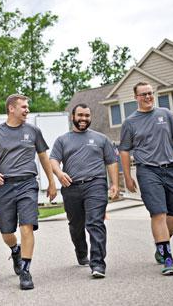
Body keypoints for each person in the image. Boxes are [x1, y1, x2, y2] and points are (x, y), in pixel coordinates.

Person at [119, 81, 173, 276]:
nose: (148, 97)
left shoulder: (165, 114)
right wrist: (128, 177)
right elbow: (124, 151)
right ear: (136, 98)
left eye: (150, 93)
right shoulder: (130, 123)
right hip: (148, 171)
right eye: (143, 94)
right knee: (158, 213)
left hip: (172, 169)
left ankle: (161, 244)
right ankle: (167, 256)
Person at [0, 94, 57, 290]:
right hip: (5, 186)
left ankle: (25, 270)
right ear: (11, 109)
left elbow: (43, 157)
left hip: (28, 184)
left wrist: (51, 182)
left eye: (27, 107)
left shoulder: (33, 131)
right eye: (23, 107)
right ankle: (15, 250)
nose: (27, 110)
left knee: (26, 226)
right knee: (6, 232)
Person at [50, 103, 119, 278]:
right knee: (76, 225)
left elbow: (111, 161)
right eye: (80, 115)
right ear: (73, 117)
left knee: (95, 222)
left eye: (87, 116)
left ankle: (98, 264)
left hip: (95, 184)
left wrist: (115, 184)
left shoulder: (101, 139)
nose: (83, 119)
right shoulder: (62, 140)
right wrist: (59, 173)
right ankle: (81, 252)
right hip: (71, 186)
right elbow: (53, 160)